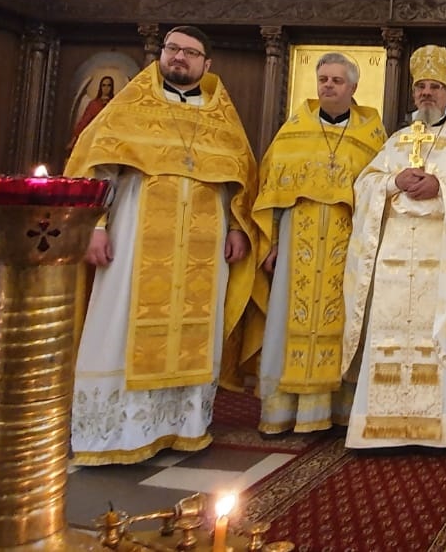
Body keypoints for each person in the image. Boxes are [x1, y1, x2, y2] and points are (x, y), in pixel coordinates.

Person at [65, 25, 258, 466]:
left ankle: (184, 427)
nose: (180, 58)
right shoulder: (128, 106)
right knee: (119, 324)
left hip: (203, 247)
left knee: (196, 331)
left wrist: (236, 226)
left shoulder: (222, 117)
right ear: (161, 55)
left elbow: (239, 180)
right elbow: (96, 169)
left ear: (206, 64)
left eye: (190, 52)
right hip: (133, 241)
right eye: (173, 49)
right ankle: (112, 436)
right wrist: (95, 226)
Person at [340, 45, 446, 449]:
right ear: (414, 93)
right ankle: (379, 431)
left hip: (441, 260)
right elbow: (364, 185)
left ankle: (440, 431)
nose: (427, 93)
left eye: (435, 87)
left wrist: (442, 187)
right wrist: (393, 182)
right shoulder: (396, 141)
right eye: (421, 87)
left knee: (433, 338)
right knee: (388, 334)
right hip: (393, 261)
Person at [253, 53, 387, 434]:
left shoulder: (372, 135)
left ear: (353, 87)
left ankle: (335, 411)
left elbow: (380, 192)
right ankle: (283, 412)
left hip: (348, 245)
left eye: (337, 80)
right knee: (286, 319)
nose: (328, 85)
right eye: (323, 79)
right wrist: (272, 242)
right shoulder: (293, 130)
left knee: (344, 320)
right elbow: (272, 190)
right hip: (297, 241)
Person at [67, 75, 116, 152]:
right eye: (104, 85)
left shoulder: (115, 104)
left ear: (112, 87)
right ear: (100, 87)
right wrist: (74, 140)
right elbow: (84, 122)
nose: (106, 88)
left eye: (108, 85)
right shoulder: (94, 104)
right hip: (94, 138)